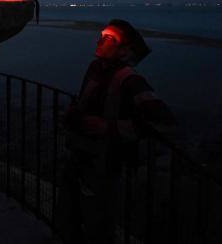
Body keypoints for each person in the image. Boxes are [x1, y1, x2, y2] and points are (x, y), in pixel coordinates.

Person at [56, 19, 176, 244]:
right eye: (102, 35)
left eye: (109, 38)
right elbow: (87, 104)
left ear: (124, 50)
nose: (100, 40)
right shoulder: (95, 69)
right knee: (69, 212)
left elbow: (164, 122)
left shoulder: (129, 79)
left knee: (97, 222)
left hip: (103, 163)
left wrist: (107, 127)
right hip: (79, 155)